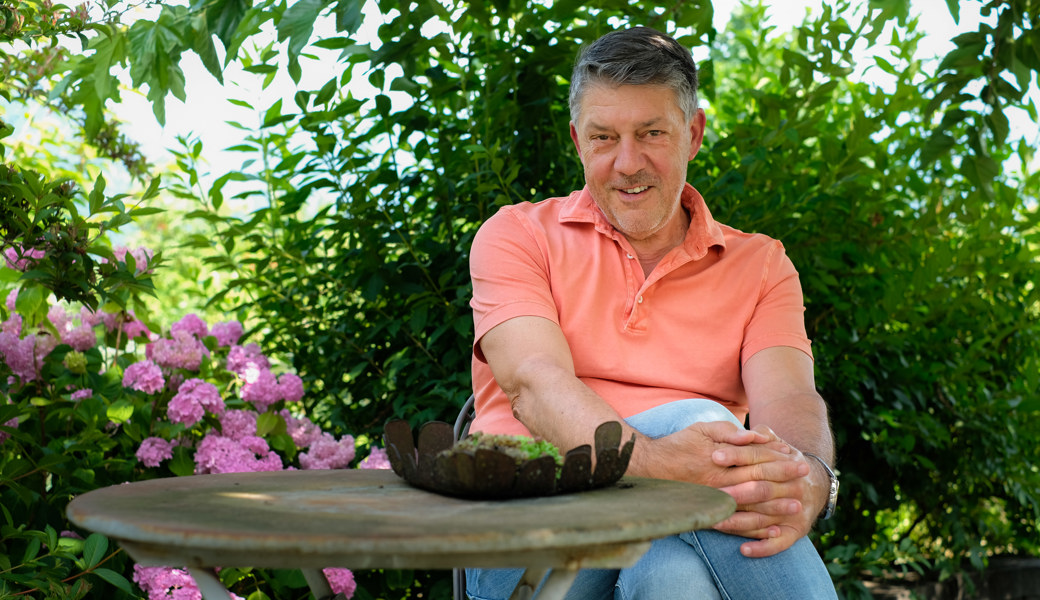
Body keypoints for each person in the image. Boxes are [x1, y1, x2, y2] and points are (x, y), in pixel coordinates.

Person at [465, 25, 839, 600]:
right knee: (699, 424)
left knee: (675, 577)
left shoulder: (761, 264)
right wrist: (668, 464)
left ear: (693, 133)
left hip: (686, 529)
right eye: (604, 137)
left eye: (651, 133)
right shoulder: (516, 235)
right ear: (577, 141)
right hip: (526, 531)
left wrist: (811, 478)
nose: (627, 163)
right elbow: (533, 386)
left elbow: (787, 399)